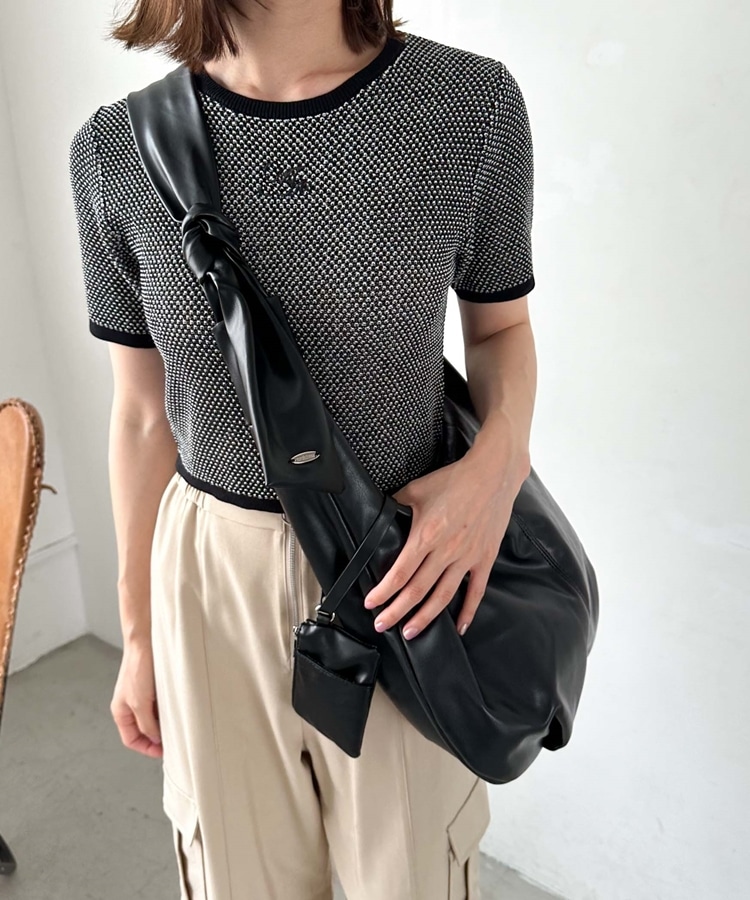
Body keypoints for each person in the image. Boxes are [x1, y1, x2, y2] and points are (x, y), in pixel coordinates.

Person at [68, 1, 538, 897]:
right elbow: (140, 415)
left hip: (405, 570)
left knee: (411, 876)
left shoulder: (468, 105)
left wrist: (494, 473)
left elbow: (501, 331)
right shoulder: (114, 151)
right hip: (212, 581)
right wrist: (140, 635)